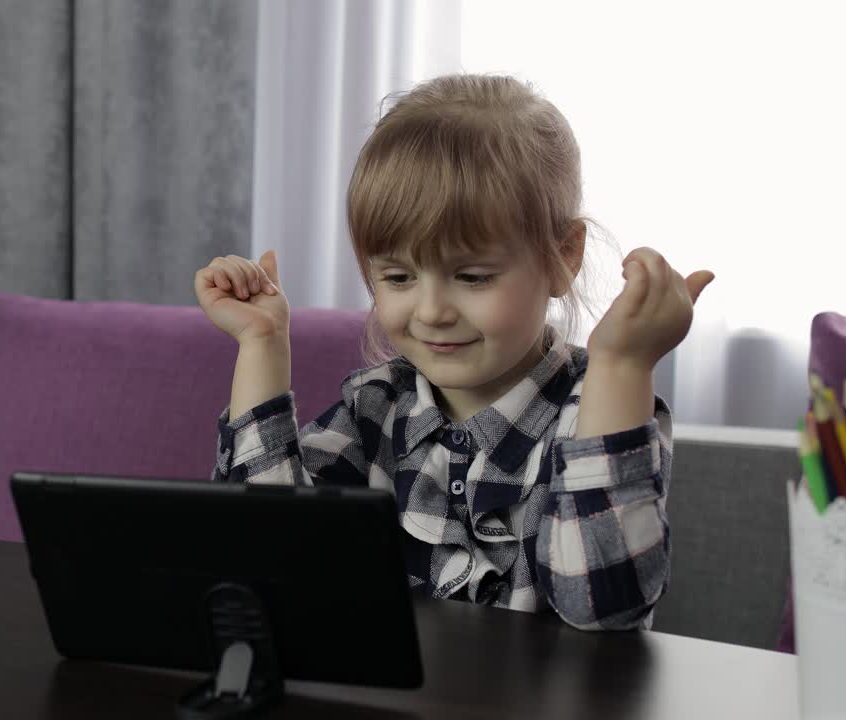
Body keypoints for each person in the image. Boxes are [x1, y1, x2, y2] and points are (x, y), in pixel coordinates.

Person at [193, 74, 713, 630]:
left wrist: (623, 364)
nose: (432, 310)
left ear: (564, 255)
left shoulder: (599, 410)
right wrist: (262, 346)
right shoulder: (375, 407)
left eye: (471, 276)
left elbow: (606, 610)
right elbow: (262, 565)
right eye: (397, 276)